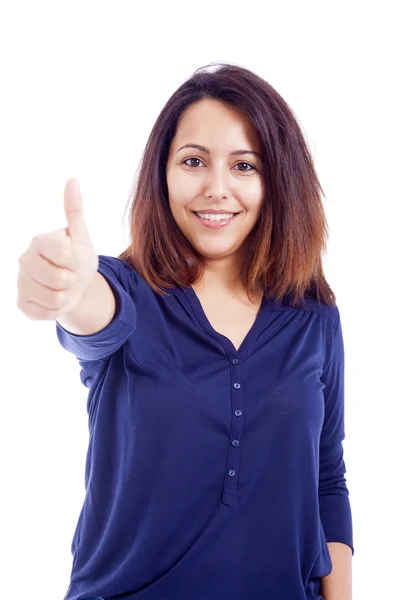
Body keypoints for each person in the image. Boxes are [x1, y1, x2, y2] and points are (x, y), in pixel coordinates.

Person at [17, 62, 354, 600]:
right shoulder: (125, 290)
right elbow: (90, 312)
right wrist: (68, 287)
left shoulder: (313, 316)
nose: (216, 189)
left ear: (278, 181)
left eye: (245, 166)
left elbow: (327, 479)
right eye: (193, 161)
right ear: (163, 173)